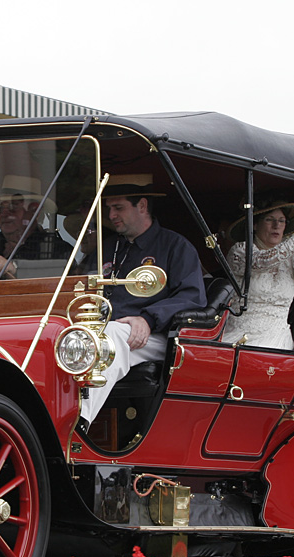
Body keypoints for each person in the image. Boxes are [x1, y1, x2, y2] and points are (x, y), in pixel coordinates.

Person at [78, 174, 206, 432]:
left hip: (158, 336)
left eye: (119, 207)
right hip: (102, 330)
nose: (112, 215)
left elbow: (192, 298)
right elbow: (79, 288)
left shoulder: (175, 246)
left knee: (110, 336)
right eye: (109, 208)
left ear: (143, 206)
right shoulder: (106, 247)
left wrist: (147, 318)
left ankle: (76, 422)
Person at [221, 194, 294, 349]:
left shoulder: (293, 258)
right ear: (255, 225)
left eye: (281, 221)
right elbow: (263, 261)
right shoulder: (241, 251)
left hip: (279, 341)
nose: (276, 225)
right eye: (269, 219)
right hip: (241, 337)